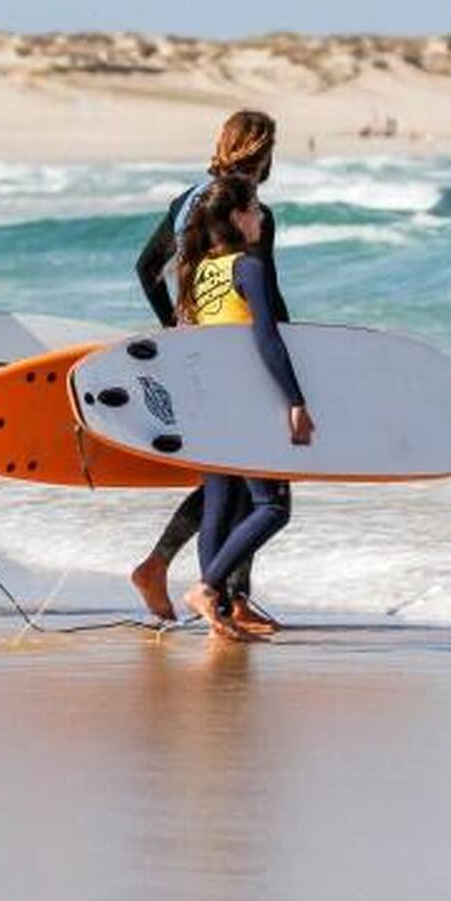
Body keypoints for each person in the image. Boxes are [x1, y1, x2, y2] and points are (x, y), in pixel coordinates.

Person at [128, 110, 290, 634]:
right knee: (252, 480)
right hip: (241, 359)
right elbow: (266, 297)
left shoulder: (189, 201)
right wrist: (293, 363)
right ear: (262, 152)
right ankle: (222, 593)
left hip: (197, 354)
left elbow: (146, 269)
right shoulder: (248, 210)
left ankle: (202, 587)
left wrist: (176, 328)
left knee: (224, 479)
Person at [173, 173, 313, 639]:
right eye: (254, 210)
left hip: (210, 402)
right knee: (272, 506)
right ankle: (209, 587)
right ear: (236, 217)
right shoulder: (247, 267)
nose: (260, 218)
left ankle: (219, 613)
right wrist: (295, 400)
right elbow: (267, 338)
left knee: (219, 501)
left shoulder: (195, 271)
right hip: (249, 402)